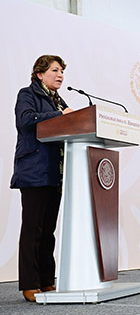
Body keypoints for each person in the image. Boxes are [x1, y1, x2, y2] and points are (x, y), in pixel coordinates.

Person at [10, 55, 74, 302]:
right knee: (32, 230)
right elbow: (25, 121)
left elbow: (70, 121)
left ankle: (47, 281)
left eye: (62, 72)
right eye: (55, 71)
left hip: (55, 173)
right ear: (40, 74)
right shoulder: (27, 94)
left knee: (48, 231)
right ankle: (30, 283)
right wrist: (60, 115)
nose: (60, 75)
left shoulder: (57, 100)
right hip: (34, 172)